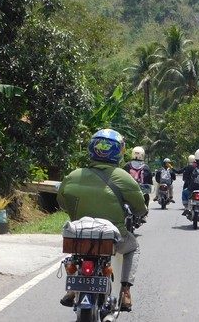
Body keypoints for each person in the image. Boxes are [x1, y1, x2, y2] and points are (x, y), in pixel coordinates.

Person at [57, 129, 147, 312]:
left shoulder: (73, 175)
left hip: (79, 234)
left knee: (74, 256)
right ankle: (125, 291)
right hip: (111, 238)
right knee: (133, 247)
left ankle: (73, 289)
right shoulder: (124, 177)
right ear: (119, 151)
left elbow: (62, 203)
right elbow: (140, 209)